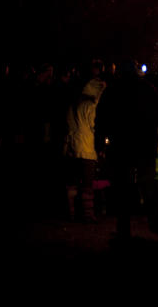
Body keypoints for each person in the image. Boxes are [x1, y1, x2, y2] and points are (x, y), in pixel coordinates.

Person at [96, 60, 158, 241]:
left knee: (122, 188)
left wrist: (99, 144)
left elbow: (101, 119)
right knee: (148, 184)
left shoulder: (112, 90)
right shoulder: (148, 89)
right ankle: (154, 222)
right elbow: (157, 117)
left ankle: (123, 227)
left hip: (122, 145)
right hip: (144, 145)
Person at [63, 76, 106, 222]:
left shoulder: (72, 104)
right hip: (87, 148)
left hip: (72, 147)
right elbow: (94, 126)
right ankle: (88, 214)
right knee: (87, 184)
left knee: (72, 184)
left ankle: (71, 211)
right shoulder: (90, 105)